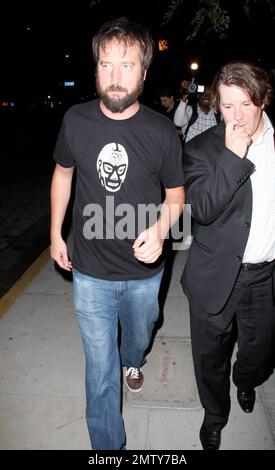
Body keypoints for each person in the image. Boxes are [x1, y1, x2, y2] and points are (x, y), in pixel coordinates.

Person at [50, 17, 184, 450]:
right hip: (89, 270)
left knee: (139, 334)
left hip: (145, 272)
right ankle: (108, 450)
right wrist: (54, 233)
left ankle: (135, 359)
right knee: (99, 368)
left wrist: (162, 229)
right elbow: (63, 175)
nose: (114, 75)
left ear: (143, 73)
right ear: (96, 68)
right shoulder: (76, 121)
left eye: (126, 65)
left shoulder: (161, 130)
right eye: (106, 64)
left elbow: (177, 194)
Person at [181, 60, 275, 450]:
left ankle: (246, 380)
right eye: (227, 106)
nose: (235, 116)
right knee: (209, 359)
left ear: (264, 100)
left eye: (245, 105)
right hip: (214, 273)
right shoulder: (201, 149)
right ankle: (215, 415)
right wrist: (233, 157)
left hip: (265, 275)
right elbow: (202, 208)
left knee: (259, 352)